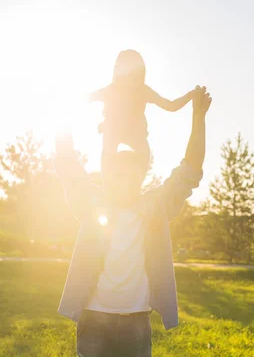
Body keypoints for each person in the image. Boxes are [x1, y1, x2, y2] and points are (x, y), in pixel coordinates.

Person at [54, 87, 212, 357]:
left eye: (130, 176)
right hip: (93, 319)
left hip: (136, 322)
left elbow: (191, 169)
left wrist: (199, 117)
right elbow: (66, 162)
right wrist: (64, 108)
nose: (122, 182)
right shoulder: (92, 204)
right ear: (106, 177)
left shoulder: (155, 206)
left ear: (140, 178)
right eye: (116, 175)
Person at [89, 49, 202, 173]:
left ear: (139, 74)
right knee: (109, 146)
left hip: (135, 133)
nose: (130, 81)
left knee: (144, 152)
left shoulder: (143, 91)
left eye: (133, 74)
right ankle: (107, 182)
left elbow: (170, 106)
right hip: (113, 130)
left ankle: (134, 185)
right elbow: (88, 98)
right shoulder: (111, 90)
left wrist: (190, 95)